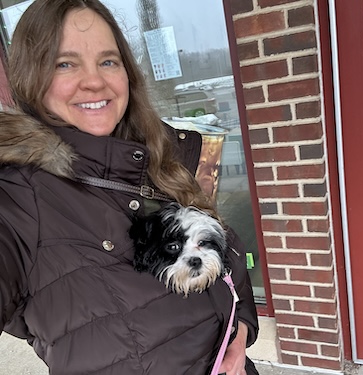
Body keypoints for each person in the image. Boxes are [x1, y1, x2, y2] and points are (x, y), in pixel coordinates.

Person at [0, 0, 259, 374]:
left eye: (108, 61)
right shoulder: (17, 197)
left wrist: (241, 331)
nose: (94, 81)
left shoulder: (160, 160)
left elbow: (227, 251)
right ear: (30, 77)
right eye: (65, 63)